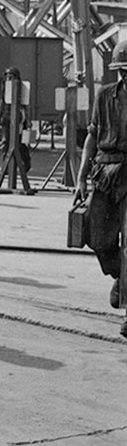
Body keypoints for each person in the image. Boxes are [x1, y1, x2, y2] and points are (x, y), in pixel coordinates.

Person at [76, 39, 127, 338]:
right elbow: (92, 137)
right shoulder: (104, 95)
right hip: (105, 174)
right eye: (122, 70)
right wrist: (81, 178)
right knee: (98, 239)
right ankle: (119, 277)